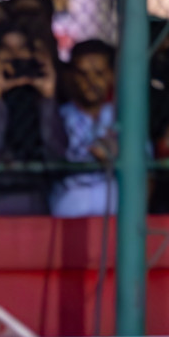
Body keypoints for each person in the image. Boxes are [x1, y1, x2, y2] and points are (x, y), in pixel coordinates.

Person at [0, 19, 65, 215]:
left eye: (22, 48)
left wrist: (48, 99)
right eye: (6, 49)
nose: (15, 56)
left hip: (36, 195)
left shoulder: (40, 94)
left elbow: (56, 152)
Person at [51, 39, 118, 218]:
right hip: (67, 213)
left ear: (112, 75)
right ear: (71, 76)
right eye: (83, 74)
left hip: (117, 215)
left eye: (99, 73)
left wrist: (117, 157)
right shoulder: (58, 117)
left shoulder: (124, 119)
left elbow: (146, 175)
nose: (91, 81)